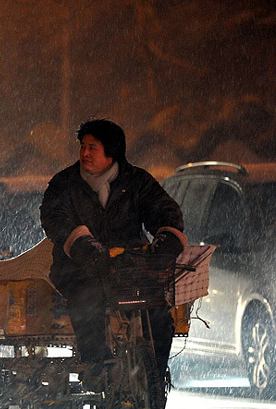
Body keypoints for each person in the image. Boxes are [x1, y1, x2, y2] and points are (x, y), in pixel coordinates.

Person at [39, 119, 186, 389]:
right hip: (78, 268)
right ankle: (97, 367)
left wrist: (166, 240)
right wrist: (86, 247)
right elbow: (55, 218)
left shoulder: (137, 181)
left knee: (159, 315)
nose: (85, 153)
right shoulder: (64, 183)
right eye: (83, 146)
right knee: (88, 299)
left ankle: (153, 377)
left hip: (130, 267)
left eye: (92, 148)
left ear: (112, 152)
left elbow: (163, 210)